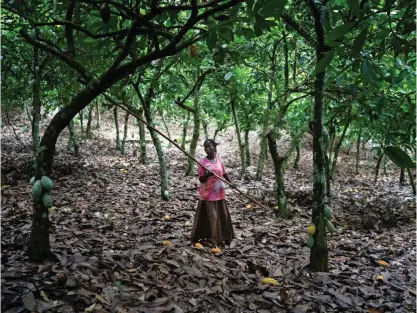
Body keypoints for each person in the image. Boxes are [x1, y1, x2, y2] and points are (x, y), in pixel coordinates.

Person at [190, 139, 234, 247]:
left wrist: (231, 183)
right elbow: (201, 180)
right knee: (213, 217)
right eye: (205, 147)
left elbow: (223, 172)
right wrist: (207, 175)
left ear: (214, 147)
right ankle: (216, 239)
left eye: (209, 146)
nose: (207, 149)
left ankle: (226, 237)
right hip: (208, 194)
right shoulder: (202, 162)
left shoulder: (218, 158)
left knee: (222, 215)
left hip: (220, 192)